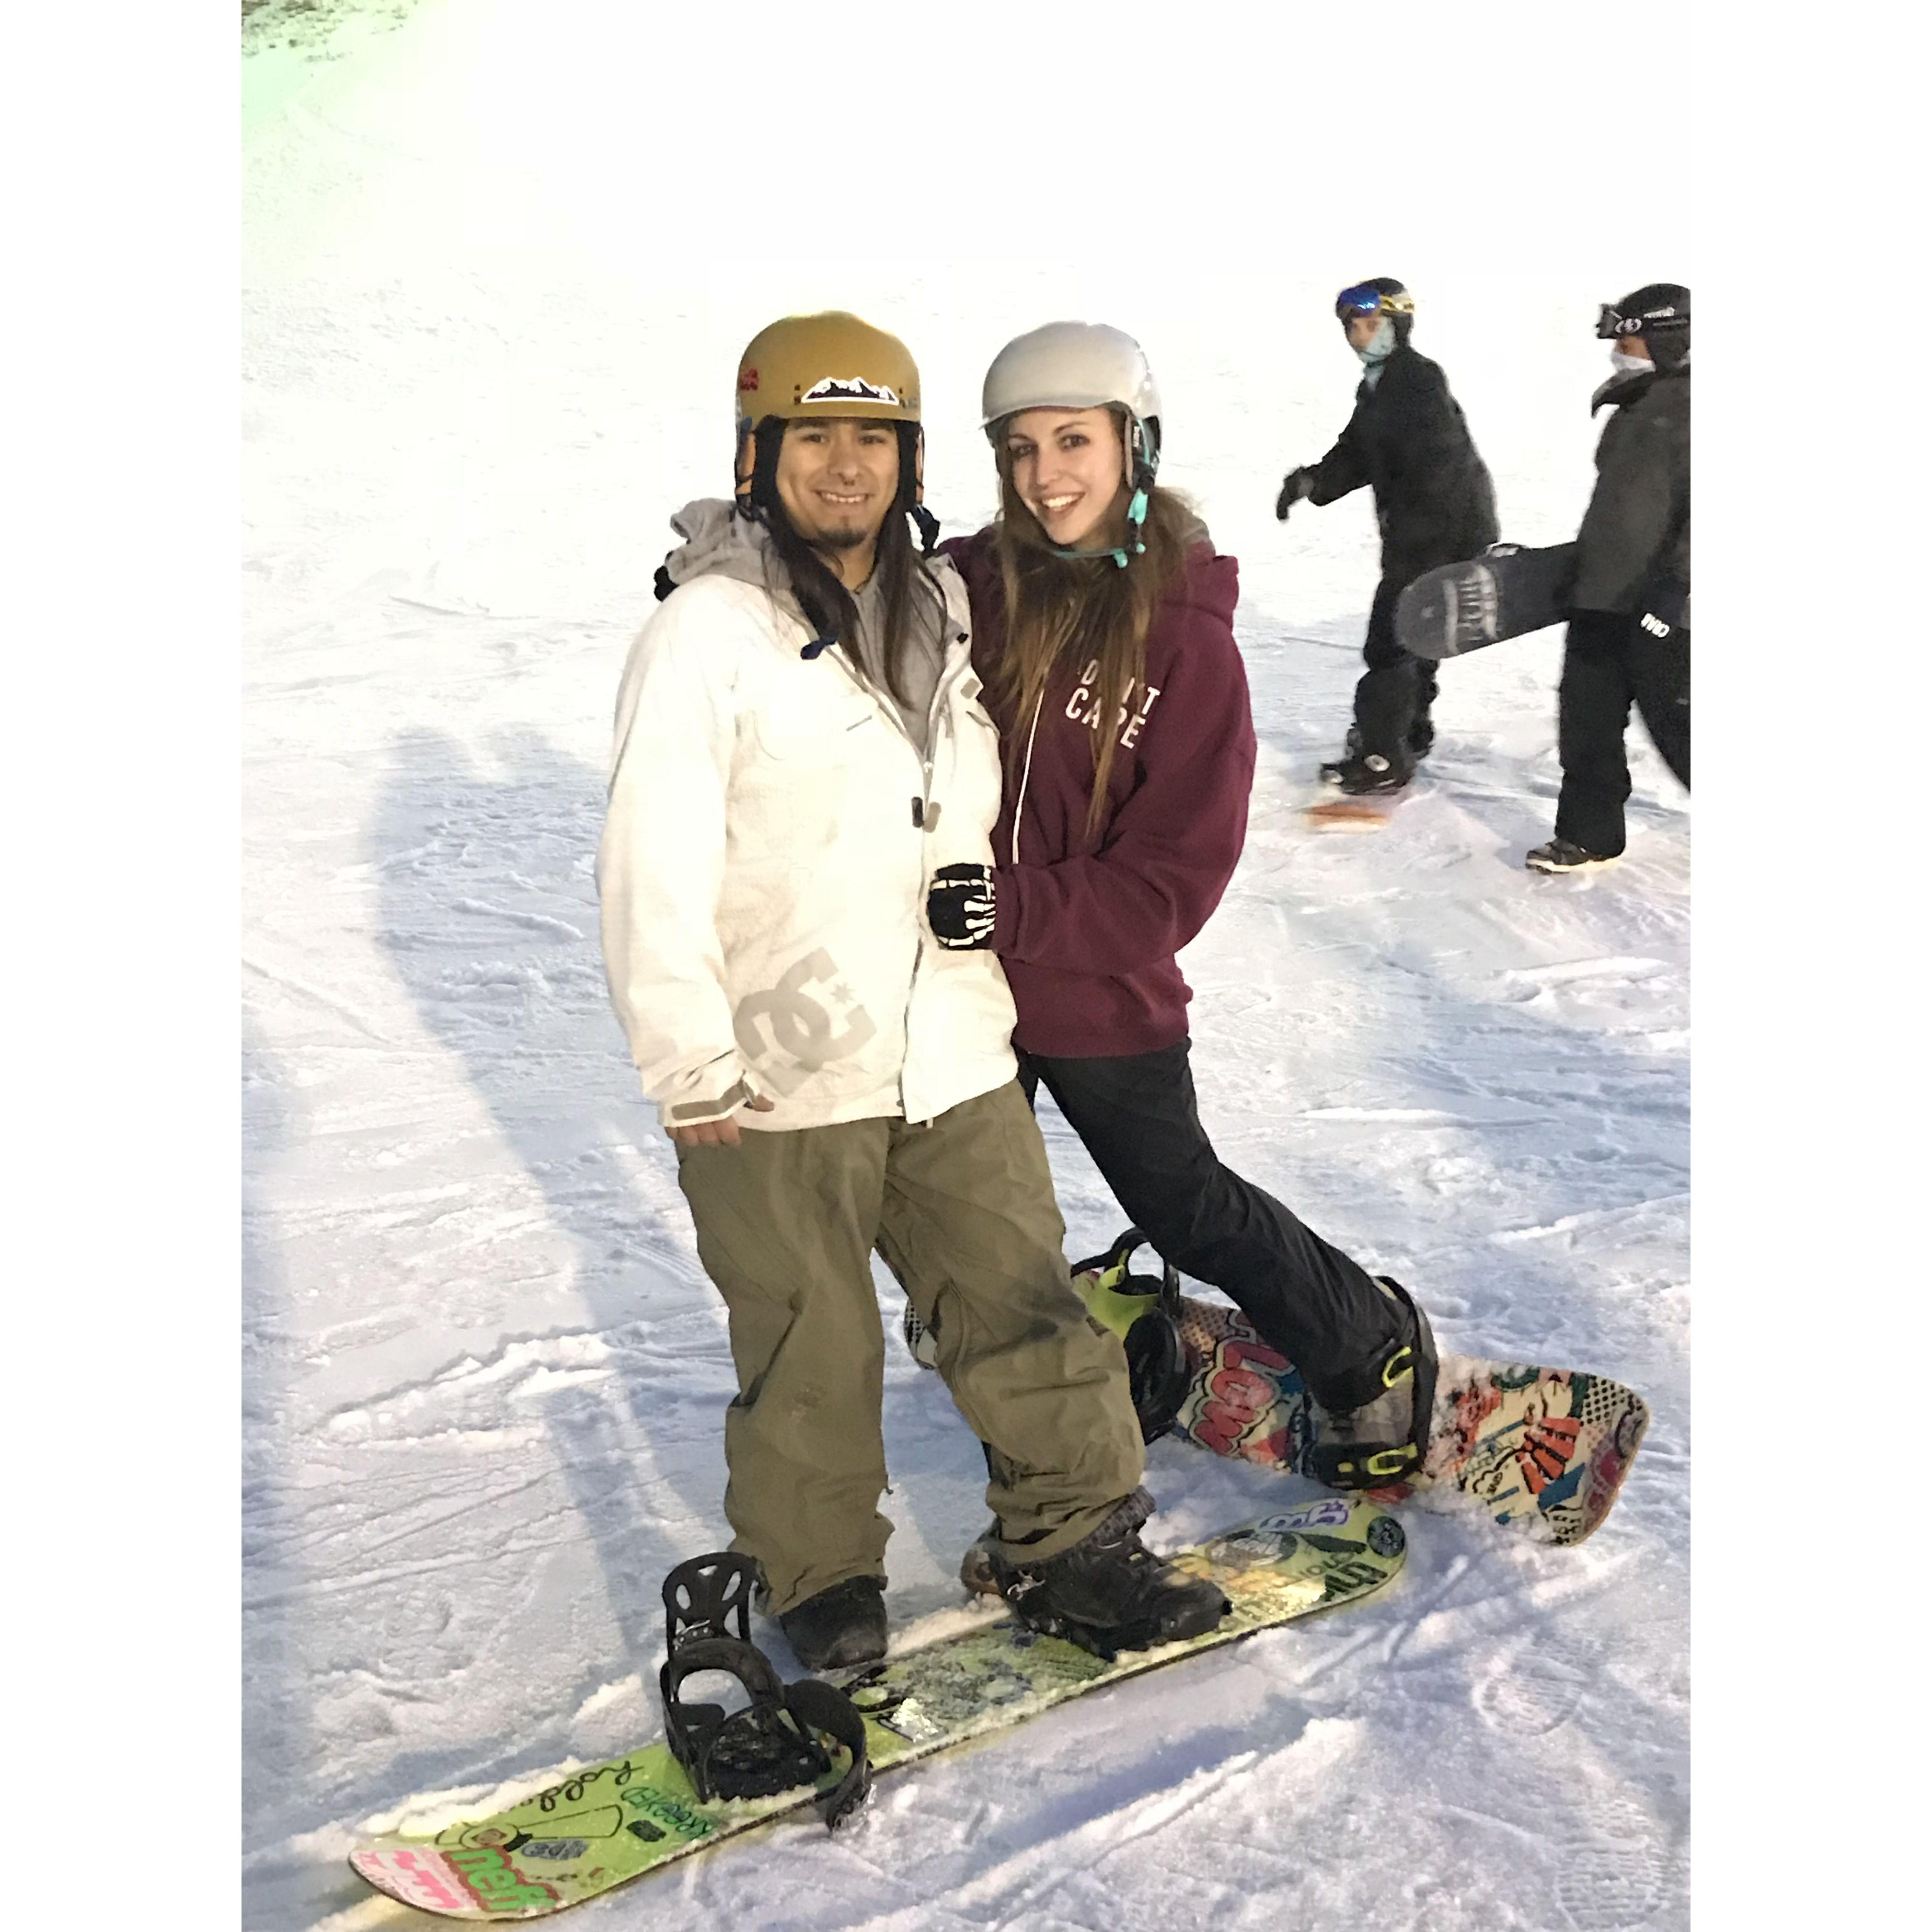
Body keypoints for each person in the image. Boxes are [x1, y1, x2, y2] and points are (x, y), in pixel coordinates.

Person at [598, 311, 1227, 1670]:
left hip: (951, 1040)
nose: (845, 467)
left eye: (873, 439)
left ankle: (1076, 1543)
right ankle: (821, 1580)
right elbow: (650, 855)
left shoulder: (941, 600)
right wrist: (686, 1057)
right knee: (808, 1343)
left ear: (914, 456)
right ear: (756, 452)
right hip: (779, 1059)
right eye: (812, 437)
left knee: (1020, 1307)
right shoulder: (711, 629)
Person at [929, 319, 1442, 1501]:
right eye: (1020, 449)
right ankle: (1080, 1362)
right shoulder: (975, 589)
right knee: (965, 1221)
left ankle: (1367, 1343)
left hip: (1095, 989)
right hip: (961, 990)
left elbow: (1172, 881)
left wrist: (1011, 909)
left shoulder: (1186, 644)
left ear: (1134, 445)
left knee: (1184, 1201)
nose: (1046, 475)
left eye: (1074, 441)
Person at [1276, 279, 1499, 795]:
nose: (1360, 336)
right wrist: (1314, 482)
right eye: (1353, 328)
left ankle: (1382, 757)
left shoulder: (1415, 381)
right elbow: (1358, 451)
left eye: (1371, 326)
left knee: (1391, 645)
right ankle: (1408, 733)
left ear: (1398, 326)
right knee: (1415, 640)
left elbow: (1443, 462)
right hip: (1432, 533)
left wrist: (1425, 544)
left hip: (1435, 534)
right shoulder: (1381, 383)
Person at [1526, 284, 1691, 874]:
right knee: (1586, 720)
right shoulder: (1634, 409)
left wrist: (1677, 591)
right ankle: (1588, 834)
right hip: (1602, 599)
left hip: (1663, 609)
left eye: (1630, 338)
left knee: (1686, 729)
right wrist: (1569, 568)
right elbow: (1619, 514)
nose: (1620, 351)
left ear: (1670, 339)